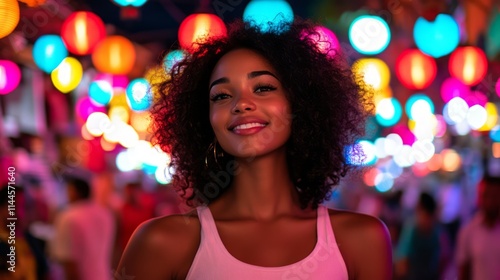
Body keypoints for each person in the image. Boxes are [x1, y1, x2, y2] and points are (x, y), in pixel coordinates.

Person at [118, 18, 392, 279]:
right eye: (222, 96)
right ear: (205, 120)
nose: (241, 104)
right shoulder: (161, 243)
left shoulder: (362, 240)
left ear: (301, 105)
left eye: (262, 88)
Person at [50, 176, 115, 280]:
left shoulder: (68, 216)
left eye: (68, 191)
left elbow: (68, 261)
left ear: (75, 192)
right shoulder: (105, 214)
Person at [395, 192, 450, 280]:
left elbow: (402, 262)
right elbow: (445, 257)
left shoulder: (412, 227)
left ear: (420, 207)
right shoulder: (438, 230)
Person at [456, 174, 500, 280]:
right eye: (486, 195)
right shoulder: (468, 231)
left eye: (494, 196)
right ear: (480, 197)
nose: (490, 201)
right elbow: (464, 272)